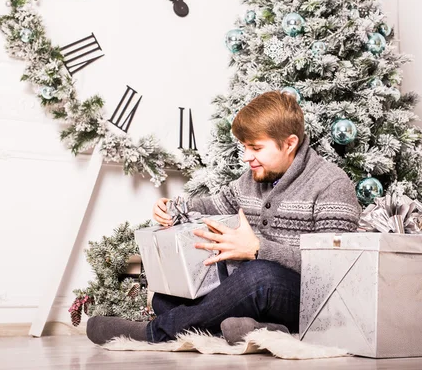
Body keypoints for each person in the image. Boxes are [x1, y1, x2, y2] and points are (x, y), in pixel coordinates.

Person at [86, 91, 361, 345]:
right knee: (165, 298)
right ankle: (262, 330)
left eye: (255, 147)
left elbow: (334, 269)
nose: (246, 157)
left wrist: (257, 250)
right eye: (244, 147)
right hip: (252, 293)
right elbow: (210, 206)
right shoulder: (252, 179)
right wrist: (173, 209)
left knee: (259, 274)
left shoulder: (331, 184)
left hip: (308, 299)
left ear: (289, 144)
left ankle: (153, 333)